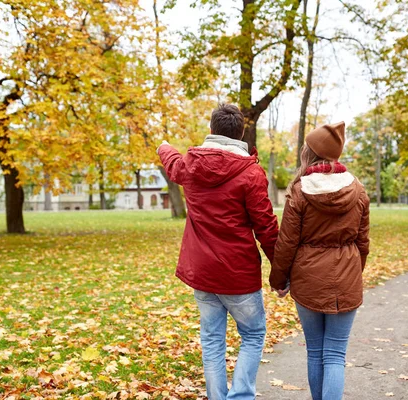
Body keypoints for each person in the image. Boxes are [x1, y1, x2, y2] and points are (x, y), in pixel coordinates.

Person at [157, 104, 278, 400]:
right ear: (241, 135)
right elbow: (266, 226)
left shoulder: (192, 165)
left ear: (211, 131)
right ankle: (240, 397)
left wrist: (163, 147)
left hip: (203, 274)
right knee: (252, 335)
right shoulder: (251, 173)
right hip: (239, 276)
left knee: (212, 340)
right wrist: (281, 269)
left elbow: (173, 163)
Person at [269, 121, 370, 400]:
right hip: (347, 278)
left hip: (308, 279)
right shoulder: (358, 190)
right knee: (335, 354)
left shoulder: (299, 191)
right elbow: (363, 243)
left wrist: (279, 281)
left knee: (316, 351)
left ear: (309, 153)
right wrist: (352, 274)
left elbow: (287, 242)